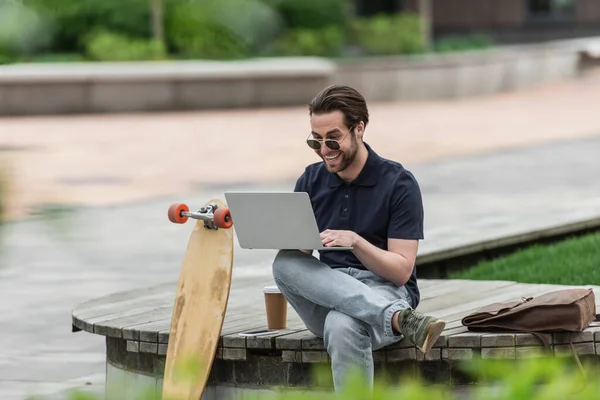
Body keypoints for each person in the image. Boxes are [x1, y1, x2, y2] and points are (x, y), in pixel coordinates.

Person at [271, 85, 446, 393]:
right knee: (284, 262)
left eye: (332, 138)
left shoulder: (398, 183)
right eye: (316, 140)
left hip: (385, 289)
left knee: (343, 325)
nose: (324, 148)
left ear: (359, 128)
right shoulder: (311, 180)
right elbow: (300, 260)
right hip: (329, 293)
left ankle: (392, 312)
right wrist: (272, 229)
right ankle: (399, 320)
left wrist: (357, 242)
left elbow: (402, 271)